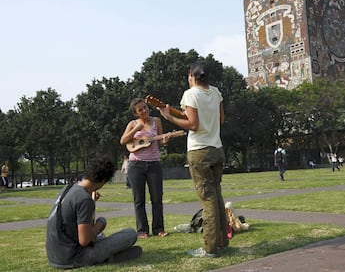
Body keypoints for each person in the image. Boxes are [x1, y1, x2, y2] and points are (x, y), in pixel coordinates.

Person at [158, 59, 228, 258]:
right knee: (217, 196)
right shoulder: (215, 92)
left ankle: (210, 248)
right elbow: (219, 119)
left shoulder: (190, 94)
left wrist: (169, 117)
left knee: (207, 200)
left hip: (199, 151)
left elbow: (193, 124)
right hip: (217, 149)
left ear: (191, 76)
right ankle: (222, 242)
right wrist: (177, 112)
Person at [46, 158, 141, 269]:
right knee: (130, 234)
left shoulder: (68, 189)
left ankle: (109, 255)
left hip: (56, 255)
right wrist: (101, 224)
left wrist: (92, 202)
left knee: (100, 236)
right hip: (75, 257)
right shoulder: (84, 199)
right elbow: (85, 240)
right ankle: (109, 257)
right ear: (104, 180)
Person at [120, 98, 169, 238]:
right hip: (136, 164)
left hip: (154, 163)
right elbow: (123, 141)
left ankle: (159, 229)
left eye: (145, 107)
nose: (144, 111)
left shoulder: (156, 121)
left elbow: (160, 142)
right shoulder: (132, 124)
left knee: (157, 198)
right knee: (139, 199)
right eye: (140, 109)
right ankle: (142, 230)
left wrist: (164, 141)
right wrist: (136, 128)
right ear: (136, 113)